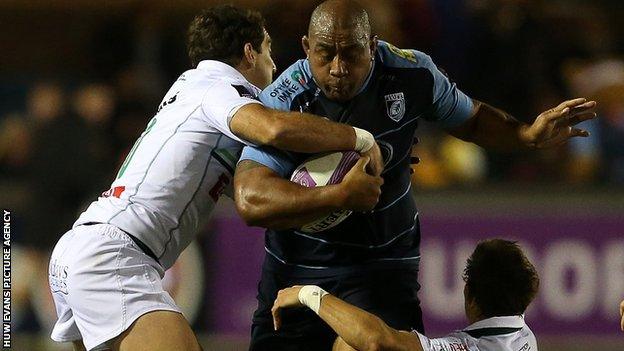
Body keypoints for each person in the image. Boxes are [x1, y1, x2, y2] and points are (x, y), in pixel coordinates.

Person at [233, 1, 595, 350]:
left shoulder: (412, 74)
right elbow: (250, 199)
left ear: (373, 47)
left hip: (382, 264)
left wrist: (525, 135)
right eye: (326, 54)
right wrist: (340, 196)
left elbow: (471, 119)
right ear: (306, 48)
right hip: (296, 266)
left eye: (352, 54)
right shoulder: (283, 100)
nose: (339, 67)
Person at [48, 5, 384, 351]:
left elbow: (256, 191)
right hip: (115, 254)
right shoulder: (218, 88)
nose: (274, 64)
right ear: (249, 53)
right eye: (268, 50)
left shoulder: (191, 89)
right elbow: (274, 128)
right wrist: (359, 138)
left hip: (84, 246)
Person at [272, 239, 540, 351]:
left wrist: (308, 293)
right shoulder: (525, 338)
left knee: (350, 345)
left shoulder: (469, 347)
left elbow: (376, 340)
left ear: (469, 293)